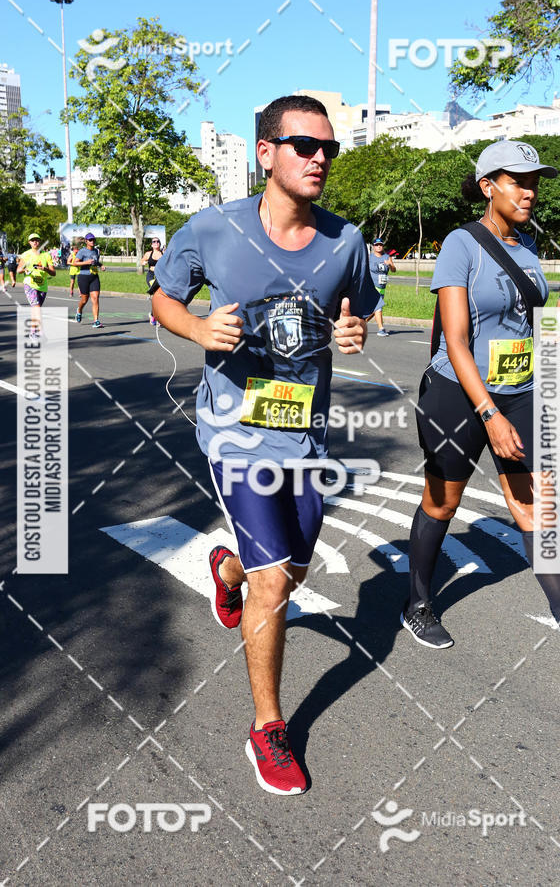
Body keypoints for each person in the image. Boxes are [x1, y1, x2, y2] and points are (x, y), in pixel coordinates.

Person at [152, 95, 382, 795]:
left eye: (328, 149)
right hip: (233, 432)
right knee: (277, 579)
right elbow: (165, 297)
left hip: (303, 435)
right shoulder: (214, 229)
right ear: (265, 153)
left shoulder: (345, 241)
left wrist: (355, 335)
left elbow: (364, 307)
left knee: (292, 571)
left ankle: (227, 573)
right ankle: (268, 728)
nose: (319, 159)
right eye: (303, 145)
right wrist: (196, 331)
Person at [404, 139, 560, 685]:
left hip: (520, 388)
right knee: (442, 503)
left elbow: (523, 324)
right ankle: (417, 602)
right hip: (459, 393)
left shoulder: (530, 247)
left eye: (535, 180)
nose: (530, 190)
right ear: (489, 186)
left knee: (541, 513)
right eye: (517, 179)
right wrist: (490, 413)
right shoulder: (460, 245)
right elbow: (458, 340)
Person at [16, 233, 56, 339]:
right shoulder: (26, 255)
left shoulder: (46, 255)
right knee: (37, 308)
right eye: (32, 240)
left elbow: (53, 273)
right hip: (30, 284)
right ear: (29, 242)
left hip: (42, 286)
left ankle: (32, 332)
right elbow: (19, 270)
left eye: (37, 240)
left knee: (35, 310)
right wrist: (25, 270)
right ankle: (41, 332)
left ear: (40, 241)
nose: (35, 242)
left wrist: (45, 269)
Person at [73, 232, 106, 328]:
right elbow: (75, 263)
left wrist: (101, 265)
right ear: (86, 241)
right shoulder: (82, 251)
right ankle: (79, 311)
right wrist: (86, 262)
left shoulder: (96, 251)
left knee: (95, 298)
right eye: (90, 240)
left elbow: (96, 262)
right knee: (84, 299)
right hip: (83, 277)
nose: (92, 241)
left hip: (94, 277)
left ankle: (96, 321)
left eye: (93, 240)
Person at [368, 237, 396, 336]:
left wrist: (390, 265)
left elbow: (393, 270)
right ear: (373, 247)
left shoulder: (387, 257)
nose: (379, 246)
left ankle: (361, 323)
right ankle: (381, 329)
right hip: (372, 286)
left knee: (374, 309)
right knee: (378, 307)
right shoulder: (369, 257)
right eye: (377, 245)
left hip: (382, 286)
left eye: (380, 245)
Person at [142, 237, 163, 325]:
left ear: (160, 243)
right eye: (154, 241)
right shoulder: (148, 253)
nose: (156, 243)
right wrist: (143, 262)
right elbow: (142, 260)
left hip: (160, 276)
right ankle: (156, 316)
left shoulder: (163, 253)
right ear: (151, 244)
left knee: (159, 297)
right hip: (151, 275)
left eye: (158, 241)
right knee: (156, 294)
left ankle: (152, 314)